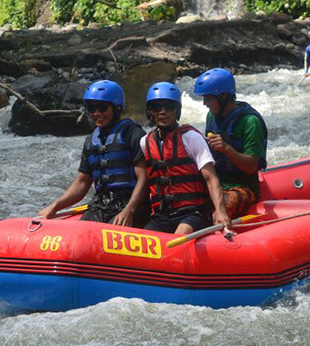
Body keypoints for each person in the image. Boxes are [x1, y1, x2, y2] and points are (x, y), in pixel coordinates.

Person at [39, 80, 149, 226]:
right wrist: (55, 206)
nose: (97, 113)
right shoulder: (91, 141)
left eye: (103, 108)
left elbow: (144, 178)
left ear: (116, 108)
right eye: (92, 108)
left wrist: (129, 210)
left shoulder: (133, 134)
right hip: (101, 205)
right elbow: (82, 182)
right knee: (80, 234)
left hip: (130, 204)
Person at [140, 82, 230, 234]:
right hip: (162, 215)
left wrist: (220, 211)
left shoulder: (191, 138)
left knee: (179, 236)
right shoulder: (145, 142)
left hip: (193, 213)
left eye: (169, 107)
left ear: (177, 111)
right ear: (150, 112)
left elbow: (211, 178)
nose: (163, 112)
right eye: (157, 107)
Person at [193, 68, 268, 219]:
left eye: (208, 99)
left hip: (242, 186)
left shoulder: (250, 122)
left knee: (224, 206)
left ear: (224, 96)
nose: (205, 103)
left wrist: (227, 149)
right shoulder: (211, 116)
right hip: (216, 182)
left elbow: (251, 167)